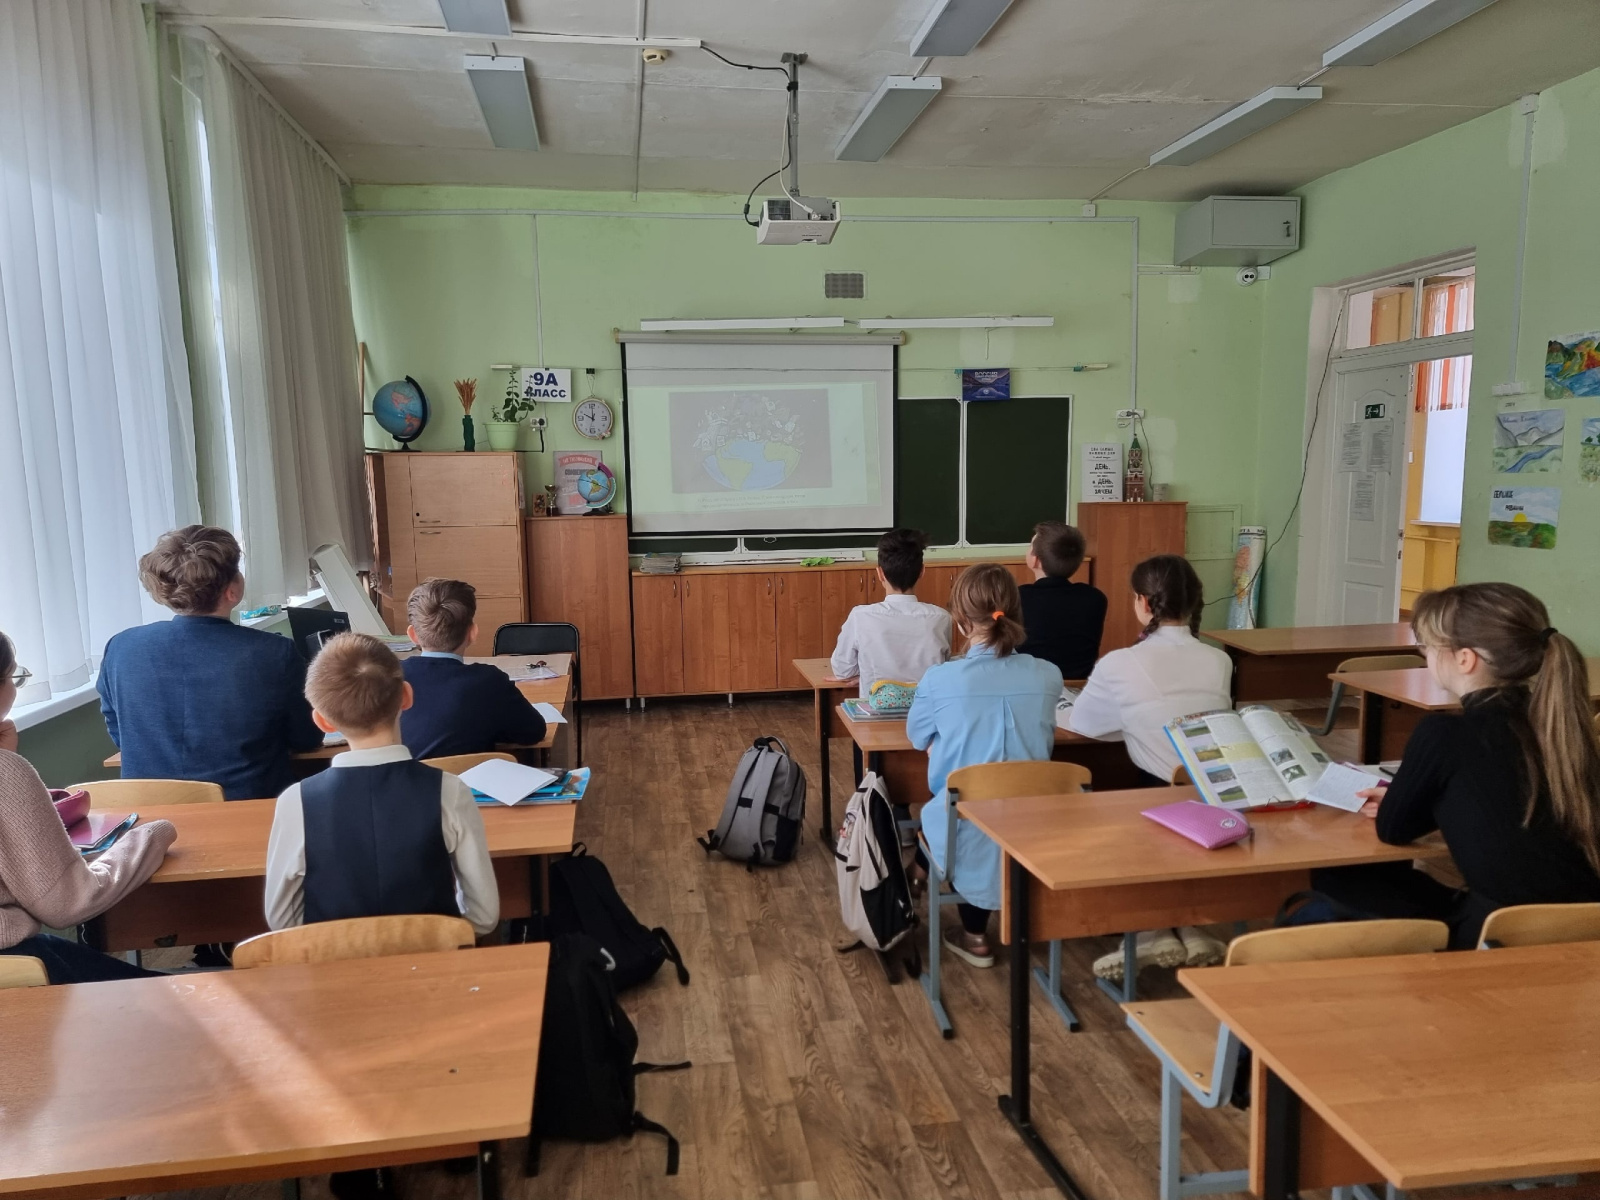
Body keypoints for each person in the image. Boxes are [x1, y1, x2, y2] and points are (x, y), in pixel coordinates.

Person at [1310, 582, 1600, 949]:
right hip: (1587, 925)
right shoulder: (1566, 728)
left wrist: (1403, 800)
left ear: (1465, 659)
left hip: (1499, 935)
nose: (1425, 656)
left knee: (1337, 876)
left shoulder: (1443, 734)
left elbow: (1393, 829)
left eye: (1428, 647)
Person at [265, 632, 499, 936]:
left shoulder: (295, 801)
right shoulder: (450, 791)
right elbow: (484, 916)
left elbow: (282, 921)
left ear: (322, 721)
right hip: (433, 960)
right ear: (406, 696)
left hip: (335, 962)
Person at [1068, 554, 1234, 978]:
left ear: (1143, 602)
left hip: (1159, 795)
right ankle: (1190, 927)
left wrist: (1132, 720)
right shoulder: (1220, 660)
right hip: (1217, 796)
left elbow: (1085, 725)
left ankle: (1149, 932)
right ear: (1195, 601)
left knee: (1117, 796)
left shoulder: (1120, 662)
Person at [0, 632, 178, 983]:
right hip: (13, 966)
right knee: (178, 995)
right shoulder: (6, 772)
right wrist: (153, 835)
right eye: (13, 677)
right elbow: (68, 903)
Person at [97, 525, 323, 801]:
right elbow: (307, 738)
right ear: (232, 590)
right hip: (249, 809)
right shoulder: (275, 653)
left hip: (149, 813)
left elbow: (119, 731)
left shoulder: (121, 647)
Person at [907, 564, 1061, 967]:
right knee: (977, 804)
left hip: (964, 821)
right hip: (1037, 826)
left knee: (951, 811)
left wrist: (944, 742)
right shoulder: (1048, 675)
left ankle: (974, 934)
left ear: (960, 620)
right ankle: (927, 879)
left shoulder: (940, 679)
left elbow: (917, 737)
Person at [399, 579, 546, 759]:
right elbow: (534, 731)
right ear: (473, 633)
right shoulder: (489, 681)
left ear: (412, 635)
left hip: (402, 777)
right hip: (471, 778)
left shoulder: (388, 678)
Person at [830, 528, 952, 696]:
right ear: (922, 572)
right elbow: (943, 668)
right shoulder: (941, 618)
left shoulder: (860, 616)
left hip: (875, 709)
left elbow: (843, 670)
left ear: (880, 573)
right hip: (927, 708)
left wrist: (865, 673)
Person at [1017, 521, 1107, 680]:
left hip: (1030, 685)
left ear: (1035, 560)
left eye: (1030, 545)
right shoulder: (1095, 598)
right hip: (1080, 687)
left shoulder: (1017, 598)